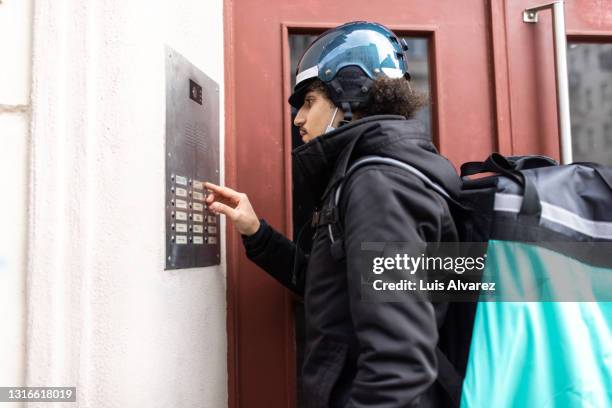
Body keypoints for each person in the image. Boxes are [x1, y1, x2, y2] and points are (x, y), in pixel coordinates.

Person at [206, 21, 463, 407]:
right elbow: (336, 288)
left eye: (309, 102)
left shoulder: (379, 184)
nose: (298, 119)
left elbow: (401, 360)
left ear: (348, 95)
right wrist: (257, 232)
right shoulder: (376, 173)